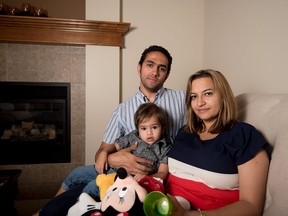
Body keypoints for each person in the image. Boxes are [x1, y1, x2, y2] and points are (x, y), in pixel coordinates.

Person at [35, 45, 186, 216]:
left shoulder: (182, 100)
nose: (155, 72)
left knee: (89, 187)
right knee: (76, 175)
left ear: (167, 73)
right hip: (117, 169)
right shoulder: (122, 109)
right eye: (150, 65)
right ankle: (43, 212)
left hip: (147, 173)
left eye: (162, 68)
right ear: (139, 67)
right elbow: (103, 150)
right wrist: (111, 157)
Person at [166, 69, 270, 216]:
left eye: (208, 93)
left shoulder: (243, 135)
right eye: (194, 96)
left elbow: (251, 206)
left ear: (223, 96)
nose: (200, 102)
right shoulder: (184, 132)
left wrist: (189, 215)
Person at [86, 102, 171, 198]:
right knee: (78, 173)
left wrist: (148, 178)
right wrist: (104, 152)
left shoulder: (165, 147)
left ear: (162, 128)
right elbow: (115, 146)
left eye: (154, 127)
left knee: (93, 188)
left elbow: (163, 172)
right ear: (138, 129)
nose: (149, 133)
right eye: (143, 128)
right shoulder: (133, 137)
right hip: (114, 170)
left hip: (134, 182)